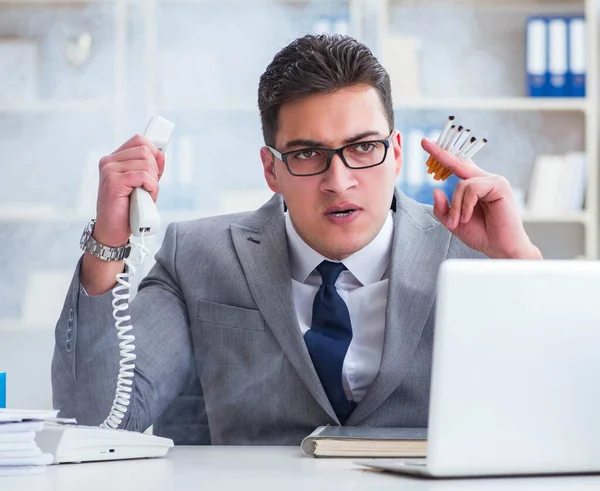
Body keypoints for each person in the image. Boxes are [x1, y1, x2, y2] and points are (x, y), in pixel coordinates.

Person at [52, 34, 542, 445]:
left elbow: (552, 414)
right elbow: (97, 423)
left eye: (363, 147)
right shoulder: (197, 256)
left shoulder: (472, 256)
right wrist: (106, 247)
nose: (339, 180)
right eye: (308, 154)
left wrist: (519, 266)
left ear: (395, 154)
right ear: (272, 169)